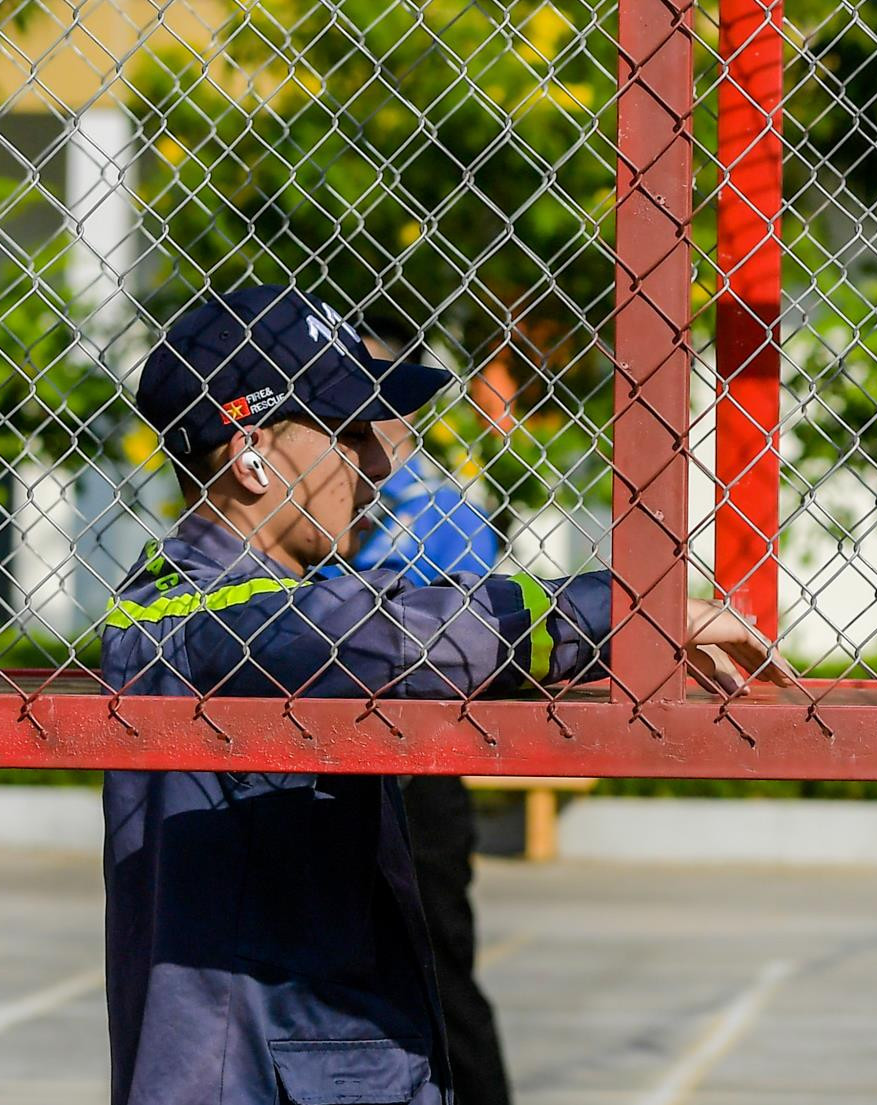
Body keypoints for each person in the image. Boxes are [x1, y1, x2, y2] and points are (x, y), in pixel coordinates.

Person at [102, 285, 789, 1105]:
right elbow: (400, 636)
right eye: (350, 433)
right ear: (252, 457)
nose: (379, 464)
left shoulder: (283, 600)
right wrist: (629, 609)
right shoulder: (189, 613)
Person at [348, 329, 511, 1105]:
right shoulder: (330, 508)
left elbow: (464, 631)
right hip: (342, 754)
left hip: (421, 760)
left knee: (438, 966)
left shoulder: (444, 511)